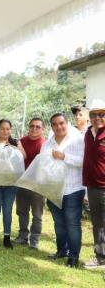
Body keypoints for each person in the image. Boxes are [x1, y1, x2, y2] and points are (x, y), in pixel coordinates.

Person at [44, 113, 84, 268]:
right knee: (59, 224)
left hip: (73, 189)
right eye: (55, 124)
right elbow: (43, 165)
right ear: (51, 126)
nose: (58, 126)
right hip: (53, 190)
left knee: (72, 224)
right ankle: (62, 250)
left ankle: (73, 257)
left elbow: (83, 162)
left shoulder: (78, 140)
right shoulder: (47, 144)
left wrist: (64, 156)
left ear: (67, 123)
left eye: (61, 123)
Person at [0, 119, 25, 249]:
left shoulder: (15, 142)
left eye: (8, 129)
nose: (5, 131)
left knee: (8, 211)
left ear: (10, 130)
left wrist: (13, 147)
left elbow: (23, 156)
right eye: (2, 128)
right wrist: (1, 151)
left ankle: (7, 237)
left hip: (11, 182)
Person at [15, 118, 46, 249]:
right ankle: (22, 236)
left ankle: (34, 240)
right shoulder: (21, 141)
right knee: (22, 211)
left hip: (37, 185)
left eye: (38, 127)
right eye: (32, 126)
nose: (34, 129)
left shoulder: (45, 144)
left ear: (43, 129)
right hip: (22, 182)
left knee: (37, 214)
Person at [83, 99, 105, 269]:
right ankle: (100, 257)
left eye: (101, 114)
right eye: (93, 115)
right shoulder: (88, 133)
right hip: (92, 186)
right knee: (97, 223)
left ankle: (101, 257)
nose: (97, 118)